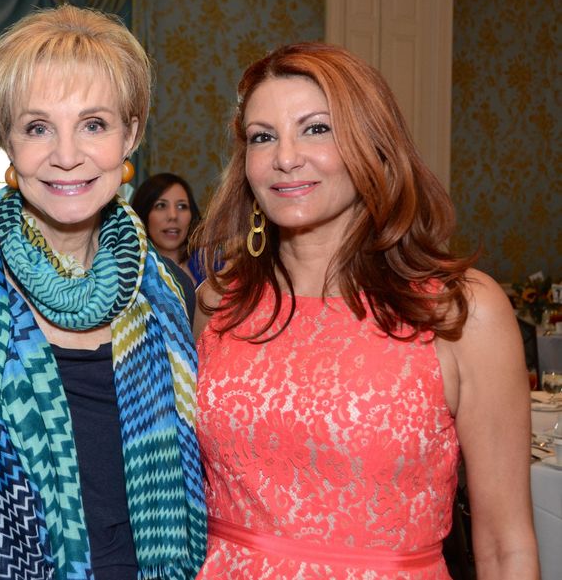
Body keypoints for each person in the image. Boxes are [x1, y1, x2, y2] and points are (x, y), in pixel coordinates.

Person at [0, 5, 206, 580]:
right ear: (6, 140)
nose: (66, 155)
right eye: (37, 127)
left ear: (131, 135)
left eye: (94, 124)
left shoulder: (172, 292)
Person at [193, 42, 538, 578]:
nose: (286, 157)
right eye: (263, 136)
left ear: (373, 145)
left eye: (316, 128)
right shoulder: (220, 302)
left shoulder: (460, 312)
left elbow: (502, 544)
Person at [130, 172, 203, 285]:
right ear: (143, 215)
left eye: (181, 206)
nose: (173, 216)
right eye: (161, 206)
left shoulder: (212, 267)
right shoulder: (129, 273)